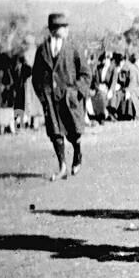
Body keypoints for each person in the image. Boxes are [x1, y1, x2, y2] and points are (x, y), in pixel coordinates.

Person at [32, 12, 91, 180]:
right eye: (61, 27)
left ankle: (77, 154)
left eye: (65, 27)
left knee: (73, 133)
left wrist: (76, 91)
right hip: (50, 99)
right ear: (52, 30)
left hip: (69, 99)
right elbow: (36, 76)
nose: (65, 30)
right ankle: (62, 166)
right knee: (55, 133)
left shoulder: (73, 49)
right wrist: (43, 95)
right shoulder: (42, 50)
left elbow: (86, 73)